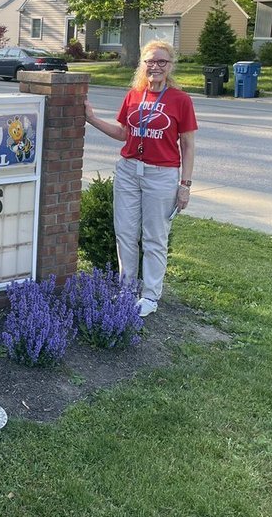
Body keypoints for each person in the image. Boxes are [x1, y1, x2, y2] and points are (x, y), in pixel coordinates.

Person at [84, 40, 196, 318]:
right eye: (150, 62)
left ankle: (150, 296)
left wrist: (185, 185)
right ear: (142, 65)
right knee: (125, 233)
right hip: (129, 170)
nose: (155, 67)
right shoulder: (134, 95)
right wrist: (92, 119)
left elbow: (188, 145)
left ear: (170, 67)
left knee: (154, 237)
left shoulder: (180, 99)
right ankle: (126, 288)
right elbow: (123, 133)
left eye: (162, 62)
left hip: (162, 174)